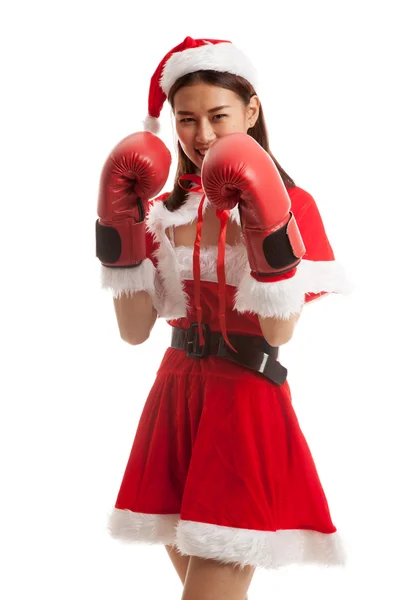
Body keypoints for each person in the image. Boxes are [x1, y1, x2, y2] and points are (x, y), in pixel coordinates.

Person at [96, 36, 349, 600]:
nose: (202, 135)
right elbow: (135, 331)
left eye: (218, 116)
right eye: (186, 119)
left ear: (251, 111)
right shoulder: (162, 211)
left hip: (243, 403)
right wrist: (122, 225)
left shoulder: (293, 203)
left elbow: (279, 331)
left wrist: (264, 226)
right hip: (174, 395)